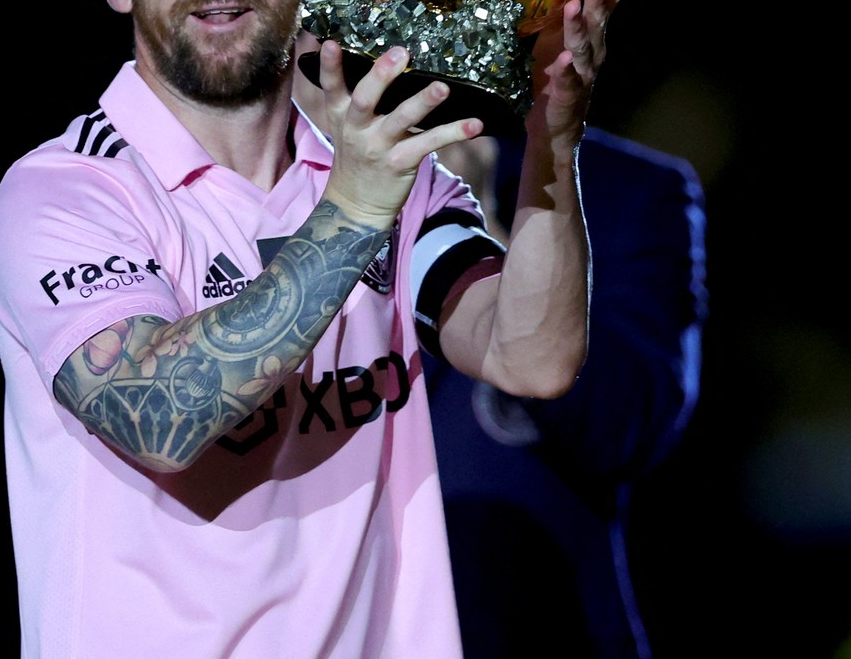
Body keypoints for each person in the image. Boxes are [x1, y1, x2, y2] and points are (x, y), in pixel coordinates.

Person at [0, 0, 630, 657]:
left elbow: (533, 354)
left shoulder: (389, 170)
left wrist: (556, 143)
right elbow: (155, 417)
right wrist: (356, 207)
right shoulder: (66, 192)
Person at [298, 34, 706, 657]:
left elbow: (627, 430)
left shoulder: (627, 191)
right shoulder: (255, 189)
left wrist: (474, 215)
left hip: (534, 629)